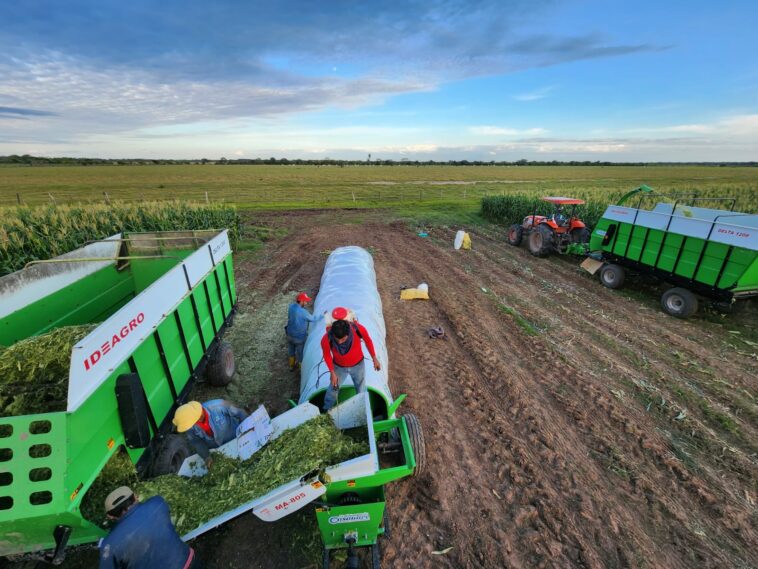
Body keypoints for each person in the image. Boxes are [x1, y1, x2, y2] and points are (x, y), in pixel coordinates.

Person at [98, 486, 201, 569]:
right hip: (189, 562)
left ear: (110, 516)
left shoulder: (109, 545)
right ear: (136, 496)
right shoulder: (157, 502)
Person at [320, 307, 381, 411]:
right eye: (337, 339)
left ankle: (362, 410)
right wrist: (332, 372)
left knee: (360, 387)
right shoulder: (326, 338)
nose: (339, 342)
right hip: (339, 367)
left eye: (343, 339)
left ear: (348, 332)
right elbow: (327, 355)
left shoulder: (358, 329)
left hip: (358, 365)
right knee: (333, 390)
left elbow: (368, 341)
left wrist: (374, 358)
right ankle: (326, 410)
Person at [173, 399, 247, 466]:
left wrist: (246, 431)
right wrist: (206, 457)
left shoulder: (218, 406)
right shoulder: (190, 426)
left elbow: (240, 413)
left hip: (236, 439)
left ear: (197, 417)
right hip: (219, 451)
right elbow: (196, 442)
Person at [286, 292, 318, 371]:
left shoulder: (291, 307)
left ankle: (291, 366)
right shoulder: (303, 312)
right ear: (301, 301)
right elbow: (313, 319)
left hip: (289, 335)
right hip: (299, 338)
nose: (306, 303)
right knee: (300, 354)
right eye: (305, 301)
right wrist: (322, 316)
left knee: (291, 351)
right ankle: (301, 370)